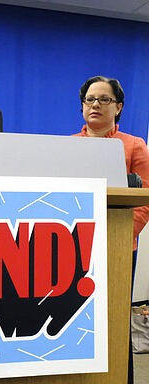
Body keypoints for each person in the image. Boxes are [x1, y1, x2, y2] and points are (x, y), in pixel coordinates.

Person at [73, 75, 149, 384]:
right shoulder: (67, 147)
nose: (95, 105)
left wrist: (118, 238)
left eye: (104, 99)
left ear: (118, 107)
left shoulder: (133, 145)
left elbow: (143, 202)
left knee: (114, 322)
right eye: (90, 99)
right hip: (74, 249)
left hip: (117, 249)